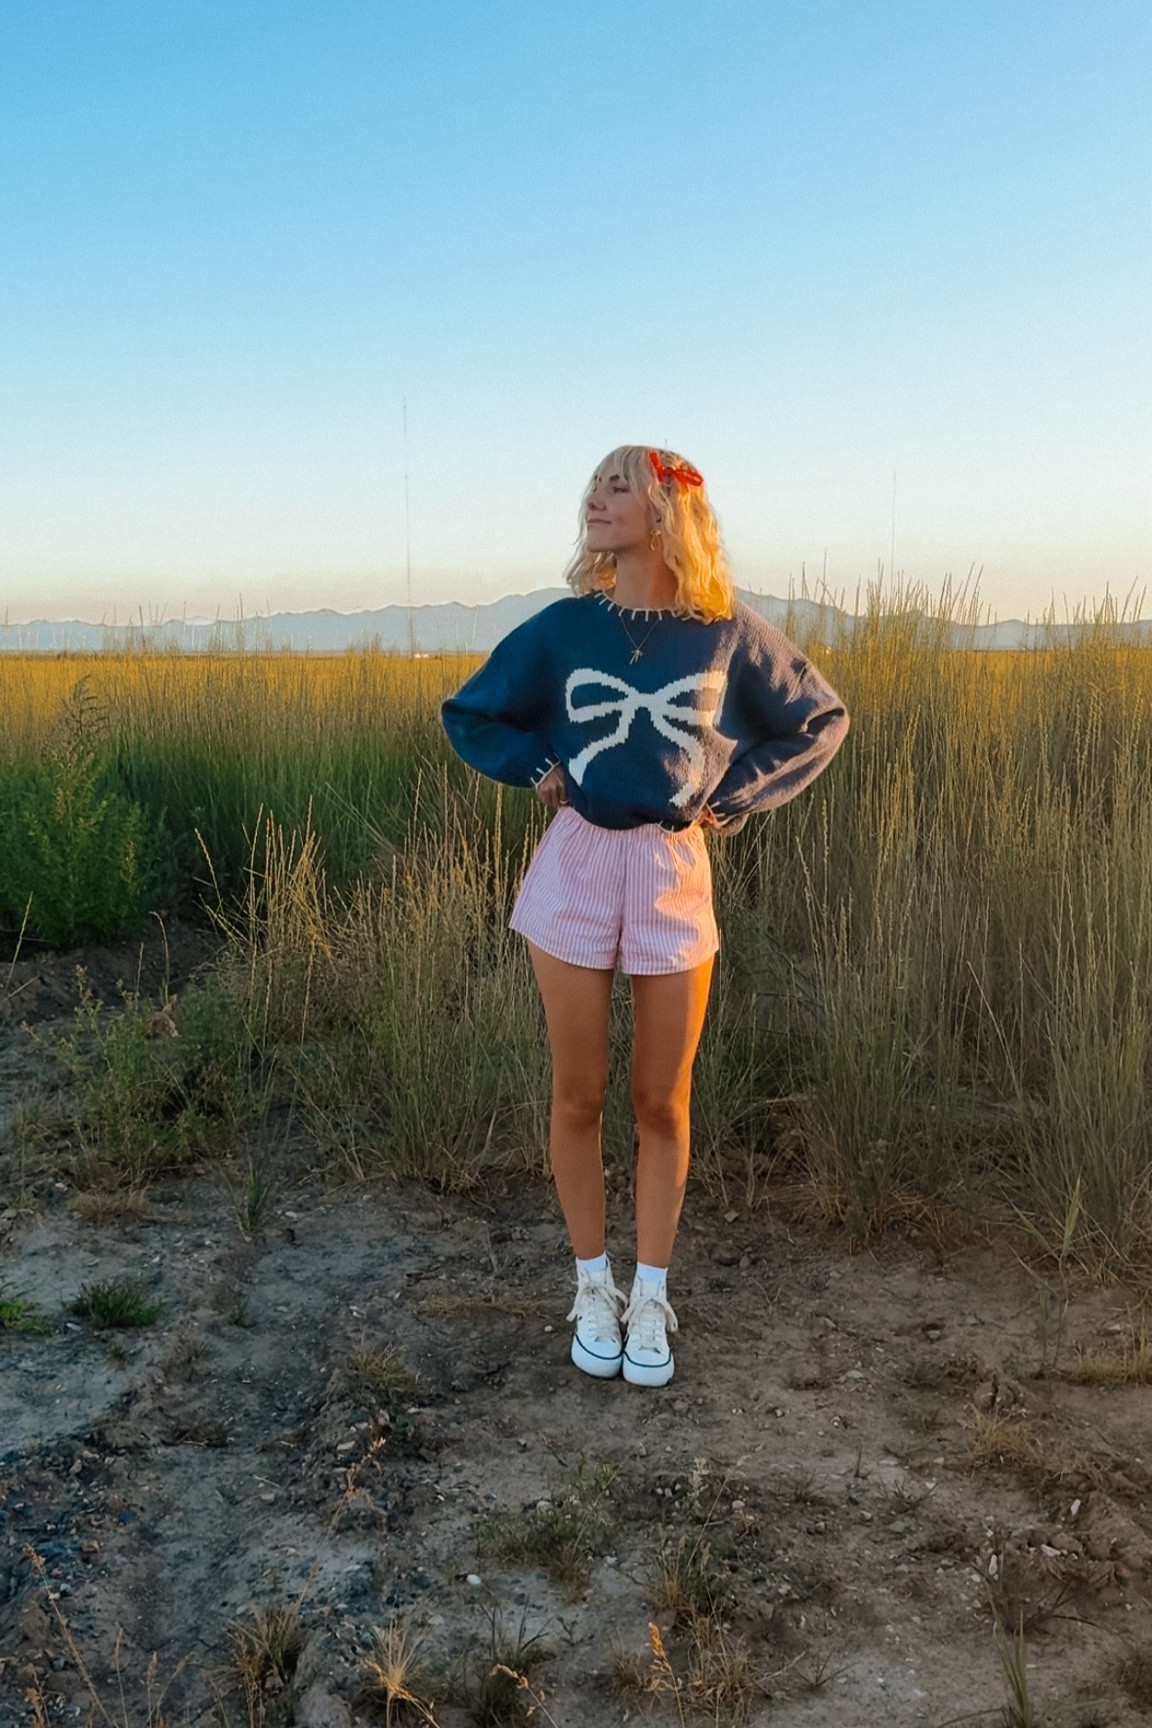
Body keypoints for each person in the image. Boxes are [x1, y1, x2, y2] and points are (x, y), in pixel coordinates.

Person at [442, 446, 848, 1387]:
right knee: (578, 1094)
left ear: (667, 510)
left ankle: (651, 1295)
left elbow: (817, 719)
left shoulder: (724, 632)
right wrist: (537, 770)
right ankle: (593, 1285)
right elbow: (472, 713)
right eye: (592, 484)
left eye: (617, 485)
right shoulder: (563, 627)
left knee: (661, 1102)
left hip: (673, 868)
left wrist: (733, 795)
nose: (594, 497)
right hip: (578, 864)